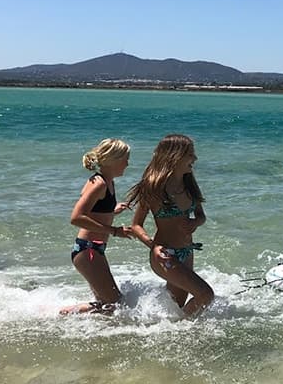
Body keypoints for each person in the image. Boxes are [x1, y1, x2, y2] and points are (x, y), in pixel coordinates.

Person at [127, 134, 214, 318]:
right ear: (175, 156)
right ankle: (183, 332)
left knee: (176, 309)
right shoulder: (154, 187)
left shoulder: (189, 183)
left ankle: (167, 333)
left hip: (186, 252)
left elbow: (201, 215)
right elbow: (136, 225)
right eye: (190, 154)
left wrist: (195, 222)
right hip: (164, 254)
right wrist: (153, 246)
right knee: (205, 294)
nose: (195, 159)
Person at [60, 138, 132, 315]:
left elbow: (95, 212)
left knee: (106, 304)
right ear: (113, 160)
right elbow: (76, 217)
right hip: (88, 251)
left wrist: (112, 211)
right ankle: (63, 314)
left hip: (94, 250)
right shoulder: (98, 183)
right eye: (125, 159)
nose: (128, 164)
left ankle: (71, 318)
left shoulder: (109, 183)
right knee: (115, 304)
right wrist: (115, 231)